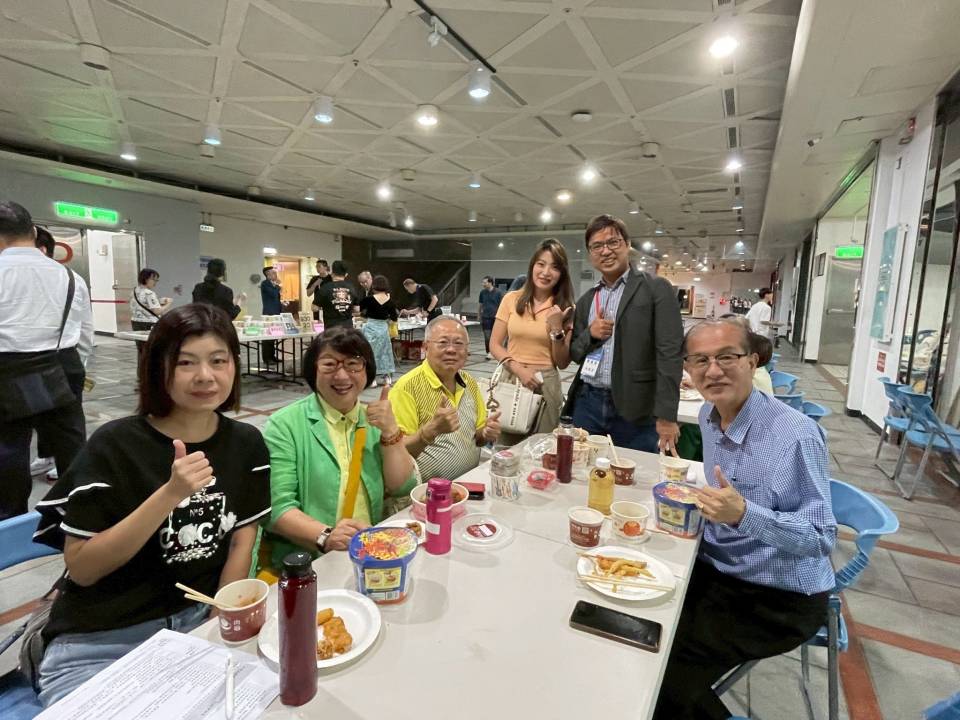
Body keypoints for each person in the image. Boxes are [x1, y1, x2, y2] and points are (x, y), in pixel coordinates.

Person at [32, 303, 272, 707]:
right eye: (185, 362)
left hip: (197, 626)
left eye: (218, 360)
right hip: (101, 643)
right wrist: (170, 495)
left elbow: (240, 541)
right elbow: (83, 569)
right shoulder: (115, 445)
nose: (205, 376)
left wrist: (221, 617)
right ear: (157, 368)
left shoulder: (246, 443)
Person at [652, 318, 836, 720]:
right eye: (700, 360)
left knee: (658, 674)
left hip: (777, 596)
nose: (713, 371)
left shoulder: (795, 435)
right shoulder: (709, 414)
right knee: (640, 626)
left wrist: (744, 515)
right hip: (718, 567)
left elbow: (821, 537)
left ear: (752, 361)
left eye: (727, 357)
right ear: (687, 369)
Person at [262, 327, 417, 567]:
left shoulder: (374, 419)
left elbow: (402, 487)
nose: (342, 375)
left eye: (353, 364)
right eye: (329, 364)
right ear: (313, 369)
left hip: (369, 552)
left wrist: (390, 430)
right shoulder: (285, 425)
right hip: (311, 562)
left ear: (367, 370)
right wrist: (325, 536)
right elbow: (277, 508)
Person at [0, 202, 94, 519]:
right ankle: (78, 515)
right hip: (62, 366)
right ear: (33, 232)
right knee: (72, 449)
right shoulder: (70, 276)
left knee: (8, 454)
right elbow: (85, 335)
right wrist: (76, 373)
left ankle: (11, 521)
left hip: (6, 370)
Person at [567, 214, 684, 453]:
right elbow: (576, 353)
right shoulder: (587, 299)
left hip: (636, 408)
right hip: (588, 403)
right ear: (590, 253)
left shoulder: (655, 289)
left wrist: (667, 415)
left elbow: (670, 354)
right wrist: (591, 334)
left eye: (613, 242)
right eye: (597, 246)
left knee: (635, 472)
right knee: (583, 470)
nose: (606, 251)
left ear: (628, 245)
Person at [390, 317, 501, 481]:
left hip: (468, 484)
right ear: (426, 347)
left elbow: (478, 438)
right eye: (443, 342)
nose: (451, 350)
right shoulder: (406, 388)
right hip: (426, 491)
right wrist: (430, 431)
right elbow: (395, 452)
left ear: (467, 350)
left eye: (458, 343)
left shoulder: (469, 382)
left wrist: (486, 433)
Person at [489, 239, 574, 442]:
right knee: (506, 448)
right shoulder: (511, 299)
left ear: (562, 273)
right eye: (541, 264)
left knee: (542, 449)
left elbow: (562, 362)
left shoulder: (565, 307)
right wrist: (519, 370)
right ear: (532, 266)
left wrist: (556, 329)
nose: (546, 272)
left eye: (554, 267)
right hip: (512, 378)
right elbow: (494, 344)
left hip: (546, 383)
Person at [360, 274, 399, 386]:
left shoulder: (368, 300)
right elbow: (394, 318)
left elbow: (362, 313)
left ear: (374, 286)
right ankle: (387, 377)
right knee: (384, 353)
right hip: (383, 330)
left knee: (370, 353)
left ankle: (372, 379)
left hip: (370, 329)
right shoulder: (390, 301)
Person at [317, 260, 360, 330]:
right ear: (346, 274)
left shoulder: (325, 288)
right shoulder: (352, 288)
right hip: (347, 328)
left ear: (332, 273)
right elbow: (357, 309)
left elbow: (314, 308)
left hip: (331, 329)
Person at [259, 266, 282, 365]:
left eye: (275, 273)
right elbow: (273, 293)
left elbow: (276, 297)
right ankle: (267, 358)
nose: (275, 274)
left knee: (274, 336)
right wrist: (278, 286)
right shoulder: (265, 284)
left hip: (276, 312)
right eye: (273, 273)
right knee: (267, 337)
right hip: (269, 313)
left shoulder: (273, 284)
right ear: (268, 275)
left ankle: (272, 356)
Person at [478, 276, 504, 360]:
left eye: (484, 282)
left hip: (496, 318)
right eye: (483, 282)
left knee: (496, 337)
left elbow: (502, 306)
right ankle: (489, 352)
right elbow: (480, 305)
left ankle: (496, 352)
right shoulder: (482, 292)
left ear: (490, 283)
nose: (483, 284)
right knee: (487, 336)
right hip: (485, 317)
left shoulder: (499, 292)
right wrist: (479, 315)